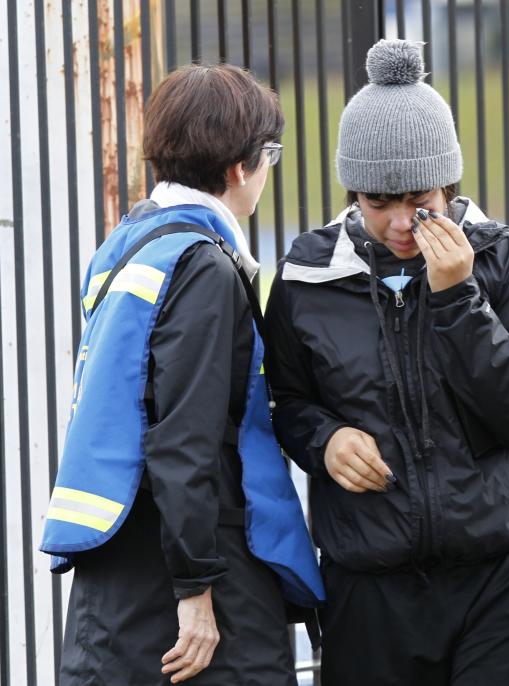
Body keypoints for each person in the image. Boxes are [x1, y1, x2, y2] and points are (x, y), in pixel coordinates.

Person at [264, 39, 509, 685]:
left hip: (505, 578)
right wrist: (324, 439)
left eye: (419, 199)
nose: (402, 220)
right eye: (378, 201)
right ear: (352, 191)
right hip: (371, 588)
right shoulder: (307, 273)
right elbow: (285, 402)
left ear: (449, 182)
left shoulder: (506, 261)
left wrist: (458, 295)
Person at [41, 63, 324, 685]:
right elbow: (183, 435)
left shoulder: (132, 245)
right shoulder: (205, 267)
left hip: (119, 566)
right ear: (238, 168)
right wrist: (195, 589)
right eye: (268, 154)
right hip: (194, 565)